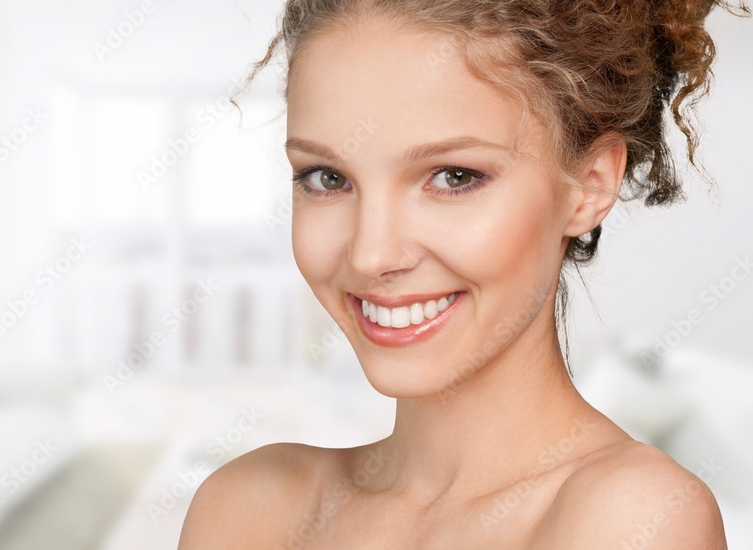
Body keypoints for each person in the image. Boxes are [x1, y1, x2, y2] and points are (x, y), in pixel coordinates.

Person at [179, 0, 749, 547]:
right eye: (327, 178)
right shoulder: (245, 508)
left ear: (589, 184)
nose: (371, 255)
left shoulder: (633, 515)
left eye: (453, 177)